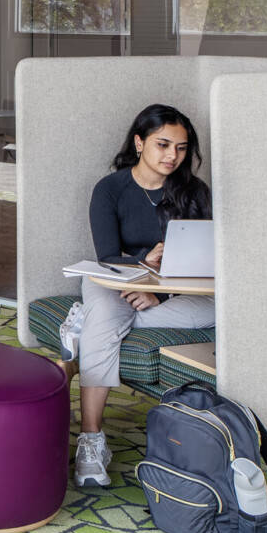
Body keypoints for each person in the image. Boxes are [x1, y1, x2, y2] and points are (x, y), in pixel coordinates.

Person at [67, 103, 214, 489]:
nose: (172, 156)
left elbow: (204, 260)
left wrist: (159, 296)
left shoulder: (194, 193)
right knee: (106, 309)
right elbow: (107, 255)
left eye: (181, 148)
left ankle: (88, 323)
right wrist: (142, 262)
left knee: (217, 309)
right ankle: (92, 439)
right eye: (163, 144)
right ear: (139, 142)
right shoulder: (110, 189)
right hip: (114, 280)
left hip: (168, 293)